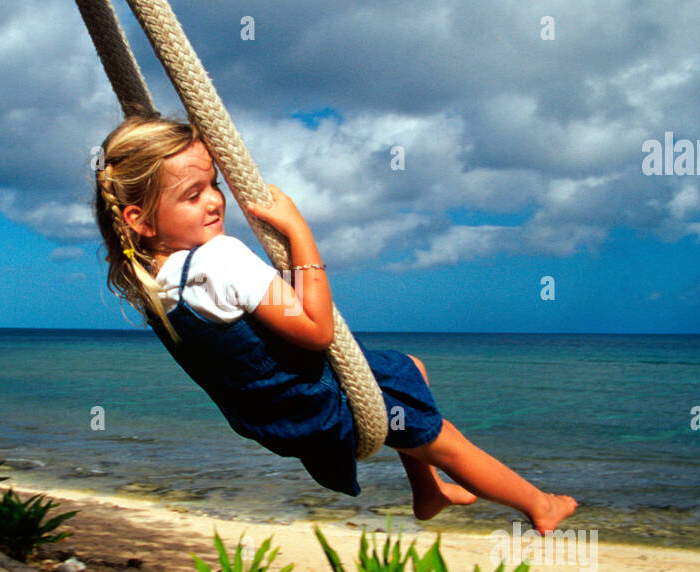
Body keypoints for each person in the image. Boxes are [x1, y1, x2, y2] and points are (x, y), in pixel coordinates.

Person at [93, 114, 577, 533]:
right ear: (141, 220)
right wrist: (298, 230)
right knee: (446, 442)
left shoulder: (153, 285)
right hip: (322, 402)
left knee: (409, 368)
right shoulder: (221, 259)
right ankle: (538, 504)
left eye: (214, 184)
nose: (215, 201)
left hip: (279, 421)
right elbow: (317, 329)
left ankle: (427, 493)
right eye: (193, 194)